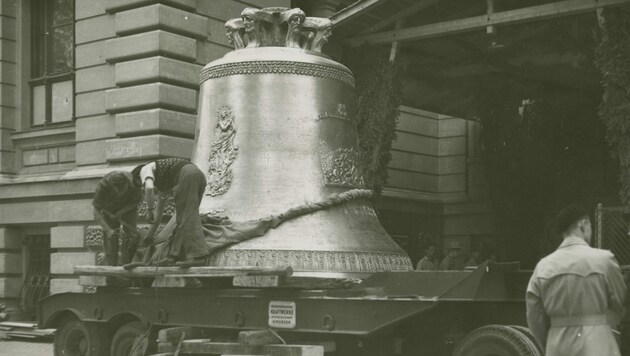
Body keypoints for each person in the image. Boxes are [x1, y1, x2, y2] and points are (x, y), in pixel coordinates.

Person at [526, 204, 626, 356]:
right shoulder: (604, 260)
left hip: (558, 344)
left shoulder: (543, 266)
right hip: (598, 342)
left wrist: (551, 339)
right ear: (583, 224)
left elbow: (534, 316)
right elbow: (620, 302)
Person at [132, 158, 209, 267]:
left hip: (187, 175)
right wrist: (150, 235)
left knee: (187, 217)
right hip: (197, 175)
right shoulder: (164, 184)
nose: (142, 186)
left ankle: (198, 256)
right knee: (181, 218)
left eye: (141, 184)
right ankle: (174, 256)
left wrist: (149, 210)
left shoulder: (145, 169)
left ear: (138, 176)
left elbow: (149, 188)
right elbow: (158, 214)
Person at [93, 170, 143, 266]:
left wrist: (121, 212)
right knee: (111, 238)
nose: (120, 194)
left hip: (129, 208)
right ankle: (111, 274)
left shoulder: (135, 183)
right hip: (109, 208)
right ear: (112, 187)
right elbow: (96, 211)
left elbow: (136, 201)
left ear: (127, 185)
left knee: (132, 237)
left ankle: (128, 267)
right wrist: (107, 230)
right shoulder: (103, 186)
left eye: (123, 190)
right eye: (117, 191)